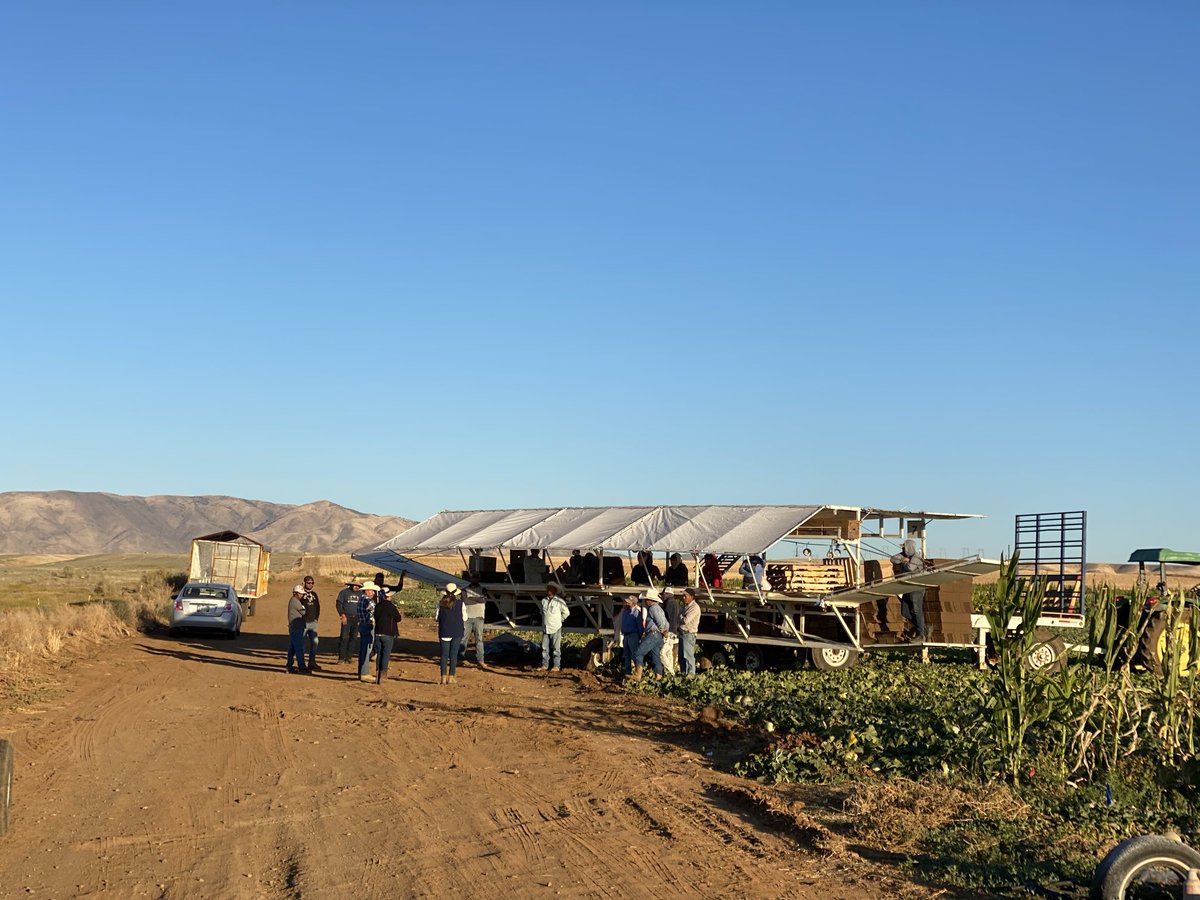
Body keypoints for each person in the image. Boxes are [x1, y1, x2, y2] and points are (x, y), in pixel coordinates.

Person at [890, 540, 931, 641]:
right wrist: (903, 558)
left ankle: (921, 635)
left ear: (909, 548)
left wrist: (904, 561)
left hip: (917, 587)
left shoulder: (917, 557)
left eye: (904, 548)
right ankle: (924, 628)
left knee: (917, 611)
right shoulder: (903, 555)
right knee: (905, 612)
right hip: (907, 587)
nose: (902, 549)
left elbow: (910, 568)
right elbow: (892, 559)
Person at [371, 586, 403, 684]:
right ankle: (383, 673)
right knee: (386, 654)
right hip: (388, 633)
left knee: (379, 653)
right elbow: (398, 618)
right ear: (388, 596)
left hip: (377, 633)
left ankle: (377, 672)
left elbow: (375, 616)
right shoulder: (391, 606)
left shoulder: (378, 606)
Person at [634, 589, 669, 679]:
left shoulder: (653, 608)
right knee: (655, 656)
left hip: (653, 634)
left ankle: (638, 675)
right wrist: (664, 631)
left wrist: (662, 630)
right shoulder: (659, 608)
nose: (645, 601)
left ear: (650, 599)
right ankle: (659, 676)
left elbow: (660, 621)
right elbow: (665, 622)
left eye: (646, 599)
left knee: (638, 653)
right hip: (658, 636)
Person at [458, 573, 489, 668]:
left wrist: (471, 599)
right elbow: (465, 601)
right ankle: (459, 658)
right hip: (467, 617)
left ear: (479, 578)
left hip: (479, 617)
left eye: (476, 577)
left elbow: (483, 600)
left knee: (479, 639)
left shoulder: (483, 589)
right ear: (470, 578)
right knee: (463, 639)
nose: (475, 579)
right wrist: (477, 599)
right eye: (473, 577)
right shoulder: (464, 589)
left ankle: (480, 660)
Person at [437, 583, 464, 684]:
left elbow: (437, 618)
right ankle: (451, 676)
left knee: (444, 655)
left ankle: (443, 676)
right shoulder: (461, 604)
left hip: (444, 631)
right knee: (453, 655)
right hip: (457, 631)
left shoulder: (440, 604)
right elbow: (464, 617)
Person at [540, 581, 570, 672]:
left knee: (556, 648)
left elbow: (566, 613)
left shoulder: (559, 601)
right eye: (548, 588)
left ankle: (556, 666)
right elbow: (541, 612)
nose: (549, 590)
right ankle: (545, 665)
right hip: (546, 627)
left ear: (555, 590)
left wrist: (560, 620)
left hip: (556, 627)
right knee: (544, 648)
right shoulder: (543, 601)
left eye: (551, 589)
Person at [335, 577, 363, 664]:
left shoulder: (361, 594)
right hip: (347, 617)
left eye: (358, 585)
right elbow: (339, 604)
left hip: (357, 618)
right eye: (355, 585)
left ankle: (349, 657)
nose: (356, 587)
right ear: (351, 585)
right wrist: (342, 614)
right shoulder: (344, 593)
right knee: (344, 637)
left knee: (354, 638)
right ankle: (341, 658)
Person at [618, 594, 645, 678]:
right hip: (626, 635)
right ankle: (627, 672)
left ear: (633, 603)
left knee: (634, 655)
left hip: (633, 635)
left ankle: (638, 673)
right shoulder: (625, 611)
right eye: (626, 602)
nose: (626, 604)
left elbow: (640, 627)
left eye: (628, 602)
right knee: (626, 655)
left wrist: (638, 636)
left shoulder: (637, 613)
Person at [356, 583, 379, 679]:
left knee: (362, 649)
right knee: (367, 650)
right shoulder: (369, 601)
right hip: (368, 625)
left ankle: (361, 672)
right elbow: (375, 612)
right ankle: (364, 673)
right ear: (366, 591)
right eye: (371, 590)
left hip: (362, 625)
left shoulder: (361, 599)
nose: (373, 593)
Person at [286, 584, 309, 674]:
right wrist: (304, 607)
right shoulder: (295, 602)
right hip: (296, 628)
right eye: (300, 594)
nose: (302, 595)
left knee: (292, 648)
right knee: (299, 648)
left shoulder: (294, 601)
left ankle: (289, 666)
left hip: (295, 627)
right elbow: (304, 612)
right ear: (295, 593)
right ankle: (302, 667)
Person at [678, 588, 701, 676]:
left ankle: (691, 675)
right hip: (682, 633)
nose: (683, 598)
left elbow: (685, 620)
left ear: (692, 597)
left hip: (688, 634)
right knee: (681, 657)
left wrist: (679, 616)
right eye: (683, 596)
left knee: (688, 656)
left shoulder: (694, 607)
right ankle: (684, 673)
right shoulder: (686, 606)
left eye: (685, 596)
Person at [301, 575, 321, 671]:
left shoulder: (314, 594)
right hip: (303, 623)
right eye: (308, 582)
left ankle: (312, 662)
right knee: (303, 644)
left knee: (315, 642)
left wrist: (316, 618)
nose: (310, 584)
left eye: (312, 583)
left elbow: (317, 607)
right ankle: (302, 664)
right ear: (304, 583)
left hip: (313, 623)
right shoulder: (300, 594)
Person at [661, 588, 680, 673]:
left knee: (663, 653)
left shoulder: (669, 603)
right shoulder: (675, 603)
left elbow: (666, 616)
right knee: (670, 654)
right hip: (674, 631)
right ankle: (672, 671)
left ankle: (670, 671)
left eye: (663, 594)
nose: (662, 596)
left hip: (669, 631)